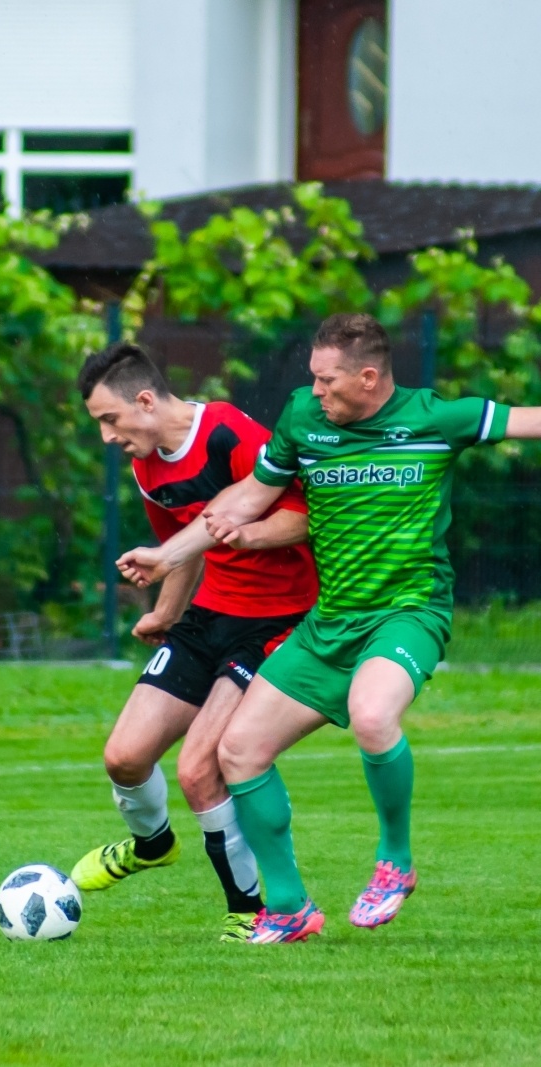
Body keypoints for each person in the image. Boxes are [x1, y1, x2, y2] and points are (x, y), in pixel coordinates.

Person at [118, 313, 541, 943]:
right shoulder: (302, 421)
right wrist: (169, 556)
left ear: (368, 377)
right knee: (239, 751)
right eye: (312, 380)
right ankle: (289, 910)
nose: (315, 392)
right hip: (329, 623)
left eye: (327, 381)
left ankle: (394, 863)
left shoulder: (434, 419)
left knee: (373, 717)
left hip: (408, 613)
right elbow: (248, 496)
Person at [72, 342, 319, 942]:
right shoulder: (146, 464)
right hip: (209, 615)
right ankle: (153, 845)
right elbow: (181, 548)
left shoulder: (229, 434)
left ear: (147, 400)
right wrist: (164, 612)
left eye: (110, 419)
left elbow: (305, 515)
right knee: (124, 757)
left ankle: (252, 911)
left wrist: (246, 532)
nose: (107, 437)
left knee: (197, 769)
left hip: (276, 621)